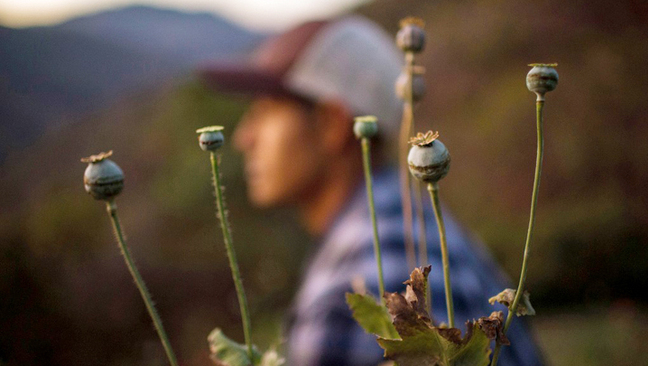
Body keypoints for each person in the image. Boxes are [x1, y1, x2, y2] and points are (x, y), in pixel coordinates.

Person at [200, 16, 543, 366]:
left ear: (332, 124)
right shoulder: (404, 224)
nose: (244, 137)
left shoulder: (371, 274)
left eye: (266, 111)